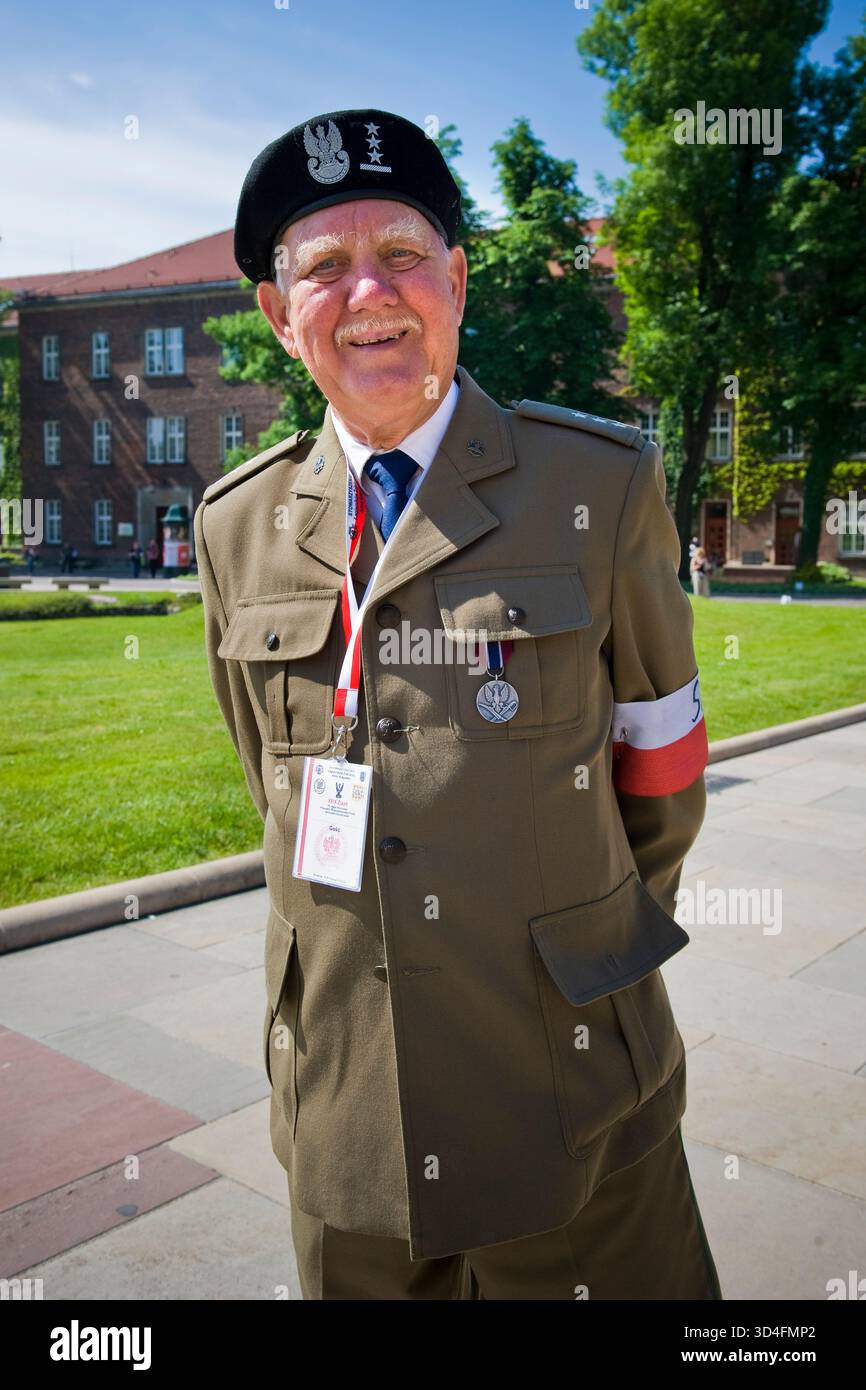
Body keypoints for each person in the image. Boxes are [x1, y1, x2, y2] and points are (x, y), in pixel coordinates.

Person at [194, 108, 720, 1301]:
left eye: (401, 254)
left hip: (570, 1092)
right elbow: (266, 779)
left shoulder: (596, 482)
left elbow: (662, 764)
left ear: (456, 281)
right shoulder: (236, 524)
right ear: (281, 318)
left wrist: (581, 944)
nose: (366, 291)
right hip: (342, 1115)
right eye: (322, 267)